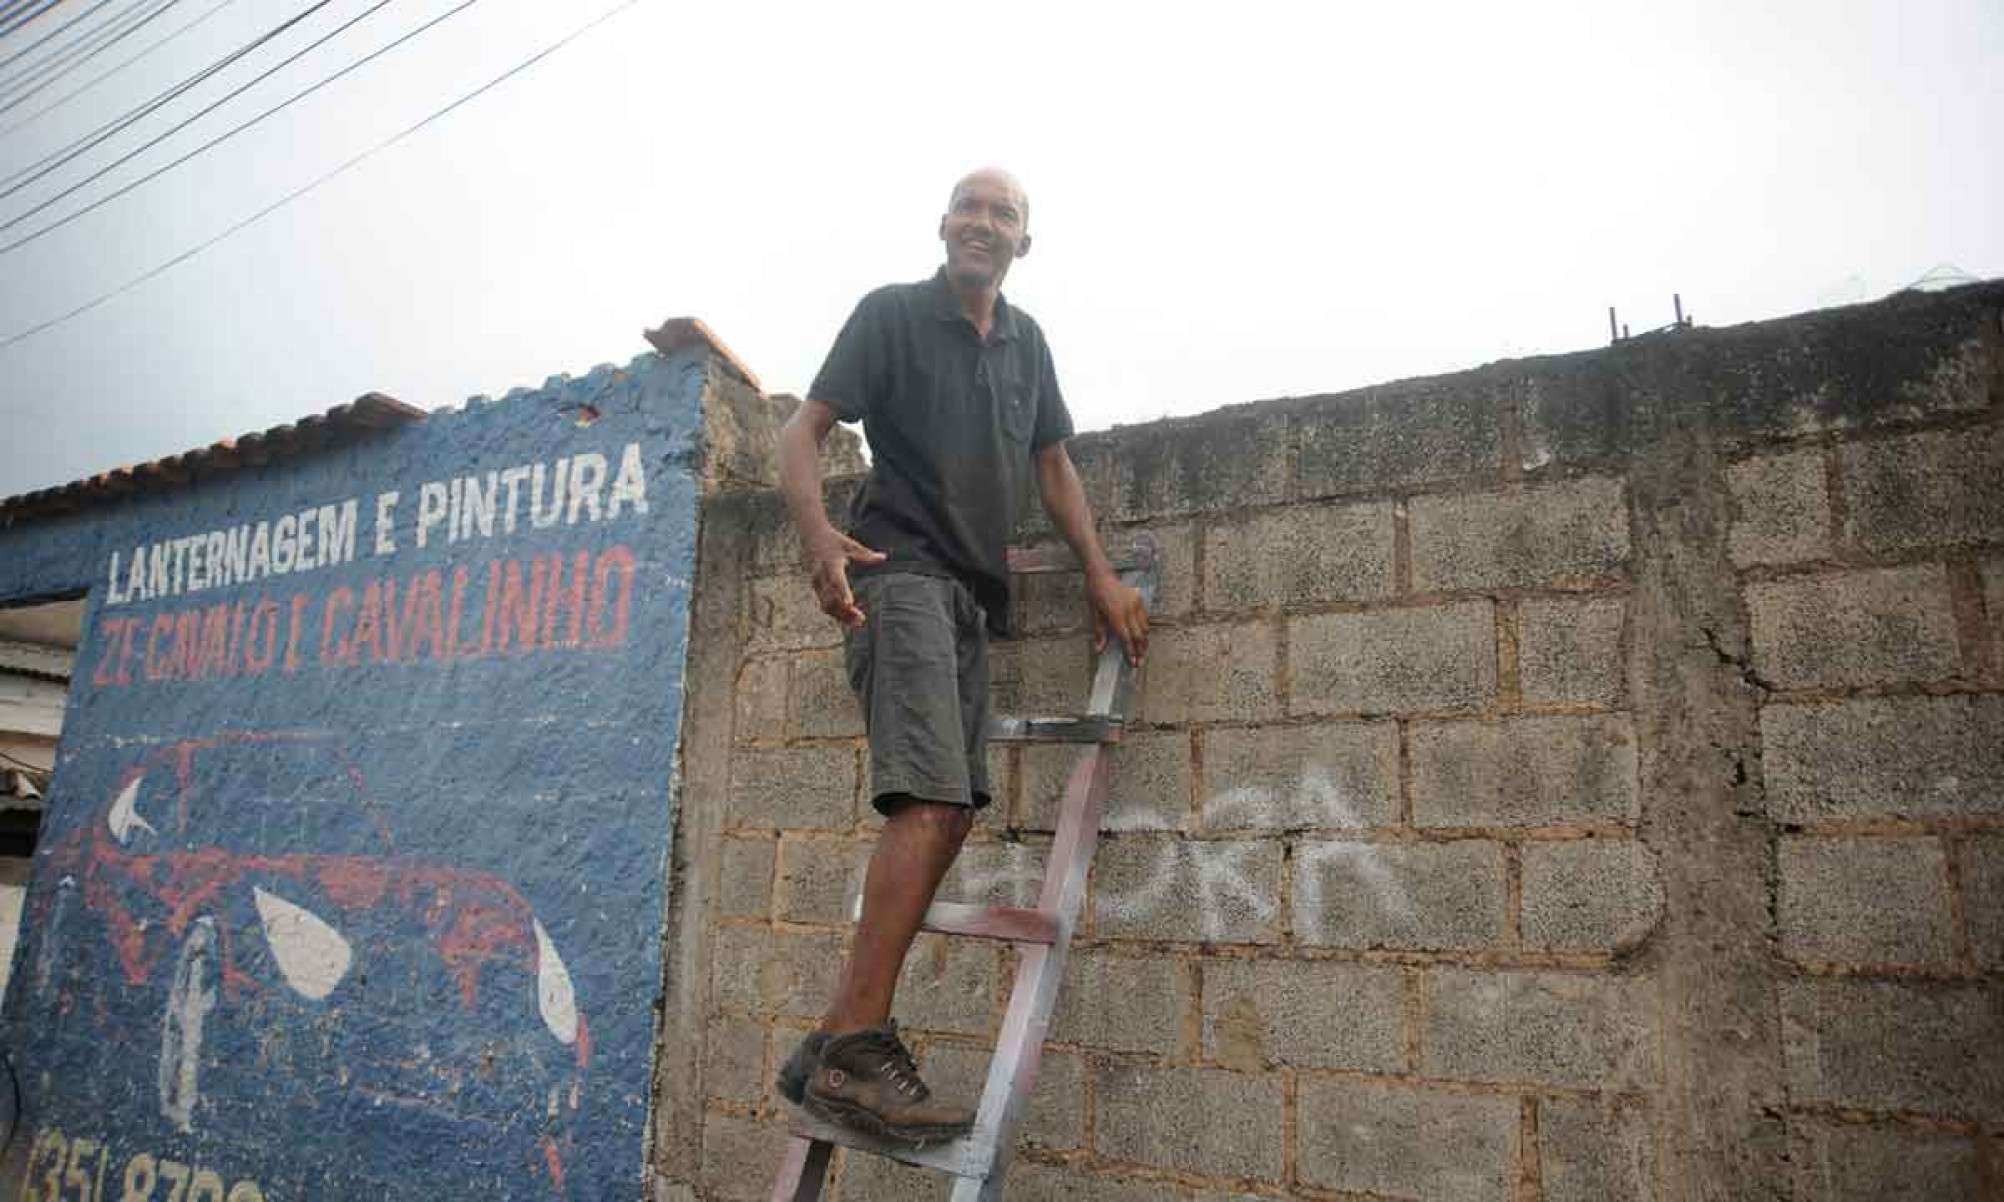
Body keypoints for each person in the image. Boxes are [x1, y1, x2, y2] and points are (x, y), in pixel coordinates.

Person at [770, 167, 1148, 1145]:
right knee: (929, 801)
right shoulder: (890, 316)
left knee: (951, 811)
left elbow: (1053, 467)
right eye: (969, 208)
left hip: (971, 600)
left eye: (1004, 213)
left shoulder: (1028, 345)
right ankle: (857, 1048)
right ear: (943, 226)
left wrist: (1101, 575)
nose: (983, 223)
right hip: (897, 577)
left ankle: (825, 1051)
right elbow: (799, 435)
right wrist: (818, 535)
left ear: (1025, 241)